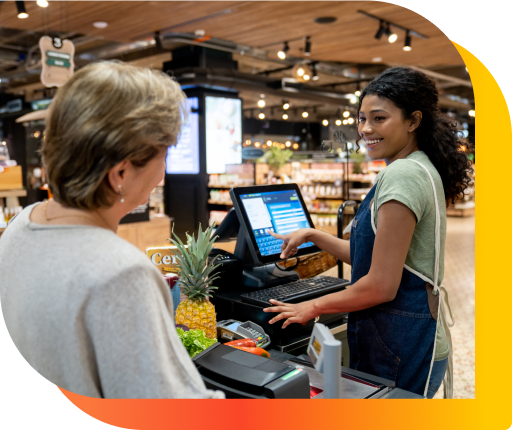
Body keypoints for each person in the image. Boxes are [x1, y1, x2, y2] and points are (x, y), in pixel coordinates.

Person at [0, 61, 224, 399]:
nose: (163, 170)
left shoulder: (22, 223)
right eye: (163, 155)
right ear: (120, 173)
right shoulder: (122, 274)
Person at [265, 67, 473, 398]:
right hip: (408, 337)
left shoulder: (402, 176)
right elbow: (371, 257)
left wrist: (313, 306)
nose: (365, 129)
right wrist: (314, 234)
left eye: (378, 118)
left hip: (400, 343)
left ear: (413, 120)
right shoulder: (417, 165)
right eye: (361, 119)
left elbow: (380, 286)